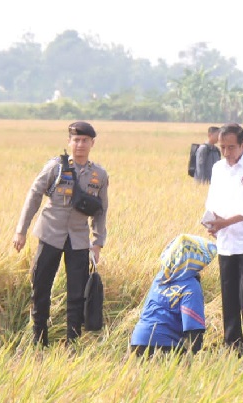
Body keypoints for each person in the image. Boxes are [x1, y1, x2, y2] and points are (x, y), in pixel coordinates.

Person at [13, 121, 109, 346]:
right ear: (69, 142)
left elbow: (101, 210)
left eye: (85, 140)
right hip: (50, 234)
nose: (80, 145)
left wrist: (97, 243)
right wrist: (21, 230)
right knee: (41, 287)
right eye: (76, 140)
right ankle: (39, 340)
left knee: (77, 293)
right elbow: (34, 195)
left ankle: (72, 343)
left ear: (92, 143)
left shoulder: (99, 175)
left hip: (78, 239)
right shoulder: (56, 167)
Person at [204, 123, 243, 351]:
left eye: (231, 147)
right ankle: (231, 343)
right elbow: (212, 200)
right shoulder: (219, 168)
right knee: (228, 294)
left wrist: (225, 222)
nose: (227, 152)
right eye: (223, 147)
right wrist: (213, 221)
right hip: (226, 241)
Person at [130, 234, 218, 356]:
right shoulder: (190, 287)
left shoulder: (160, 278)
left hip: (137, 341)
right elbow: (193, 330)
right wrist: (194, 359)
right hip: (164, 344)